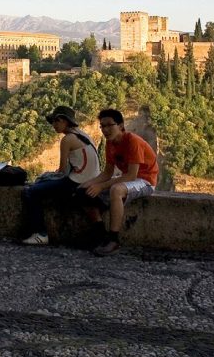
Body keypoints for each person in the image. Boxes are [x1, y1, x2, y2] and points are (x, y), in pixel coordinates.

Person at [79, 108, 158, 256]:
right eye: (102, 126)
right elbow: (107, 173)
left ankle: (113, 240)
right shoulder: (110, 143)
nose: (105, 129)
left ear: (121, 125)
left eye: (110, 125)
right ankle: (99, 233)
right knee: (83, 191)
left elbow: (131, 175)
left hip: (145, 180)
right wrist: (88, 184)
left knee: (116, 190)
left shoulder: (132, 141)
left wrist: (100, 186)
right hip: (130, 179)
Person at [21, 106, 101, 245]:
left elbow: (62, 171)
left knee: (32, 191)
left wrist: (44, 178)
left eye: (56, 121)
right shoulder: (84, 134)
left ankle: (40, 233)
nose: (54, 125)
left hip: (77, 181)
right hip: (91, 179)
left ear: (64, 121)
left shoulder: (67, 139)